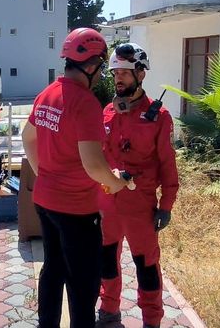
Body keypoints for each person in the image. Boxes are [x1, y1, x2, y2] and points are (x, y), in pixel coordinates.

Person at [21, 27, 130, 328]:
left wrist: (45, 172)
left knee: (53, 269)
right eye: (102, 68)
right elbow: (94, 166)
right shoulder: (85, 103)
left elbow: (27, 137)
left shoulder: (47, 93)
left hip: (45, 200)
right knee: (83, 282)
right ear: (92, 66)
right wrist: (116, 181)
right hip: (76, 210)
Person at [96, 43, 179, 328]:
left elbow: (168, 164)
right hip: (107, 203)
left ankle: (152, 320)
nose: (118, 78)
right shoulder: (107, 111)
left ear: (141, 75)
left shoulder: (160, 117)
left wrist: (166, 206)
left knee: (146, 267)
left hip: (140, 207)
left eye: (126, 73)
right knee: (106, 261)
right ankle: (108, 312)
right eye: (115, 72)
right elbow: (97, 157)